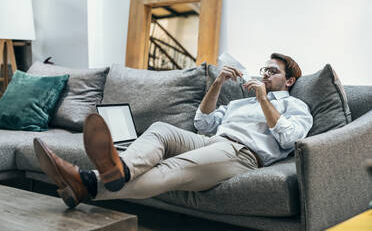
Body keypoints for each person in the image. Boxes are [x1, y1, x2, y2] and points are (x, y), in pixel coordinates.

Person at [33, 52, 313, 208]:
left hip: (242, 154)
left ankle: (87, 183)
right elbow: (202, 123)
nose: (264, 74)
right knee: (161, 130)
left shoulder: (296, 106)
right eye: (263, 69)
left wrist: (264, 99)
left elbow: (290, 138)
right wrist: (218, 82)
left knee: (170, 167)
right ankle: (121, 169)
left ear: (289, 81)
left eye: (272, 72)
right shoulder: (240, 102)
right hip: (210, 142)